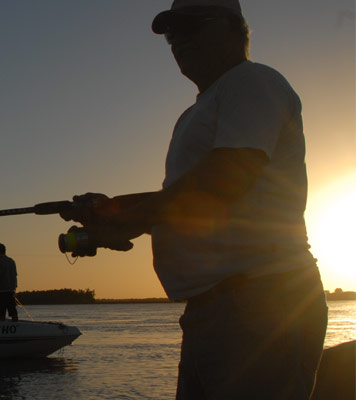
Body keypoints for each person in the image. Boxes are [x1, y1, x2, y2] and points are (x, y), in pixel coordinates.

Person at [59, 1, 328, 398]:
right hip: (212, 311)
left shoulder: (252, 81)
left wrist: (122, 221)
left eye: (191, 26)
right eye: (172, 32)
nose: (179, 40)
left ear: (236, 30)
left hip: (262, 304)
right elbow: (183, 198)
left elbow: (224, 181)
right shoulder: (195, 112)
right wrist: (112, 209)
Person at [0, 243, 18, 322]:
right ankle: (16, 328)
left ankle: (1, 331)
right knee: (13, 313)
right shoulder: (12, 262)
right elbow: (15, 276)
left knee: (1, 314)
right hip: (11, 292)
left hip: (1, 293)